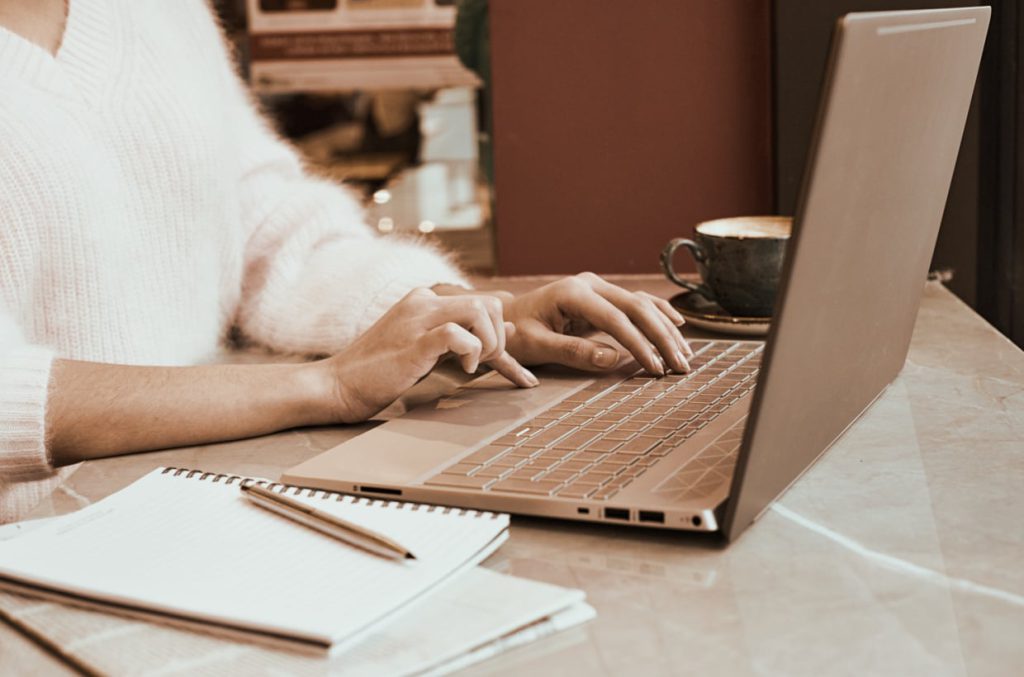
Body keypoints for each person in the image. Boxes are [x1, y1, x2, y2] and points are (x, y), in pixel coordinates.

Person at [0, 0, 691, 523]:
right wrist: (324, 388)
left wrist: (456, 315)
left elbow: (266, 221)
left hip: (207, 502)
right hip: (42, 548)